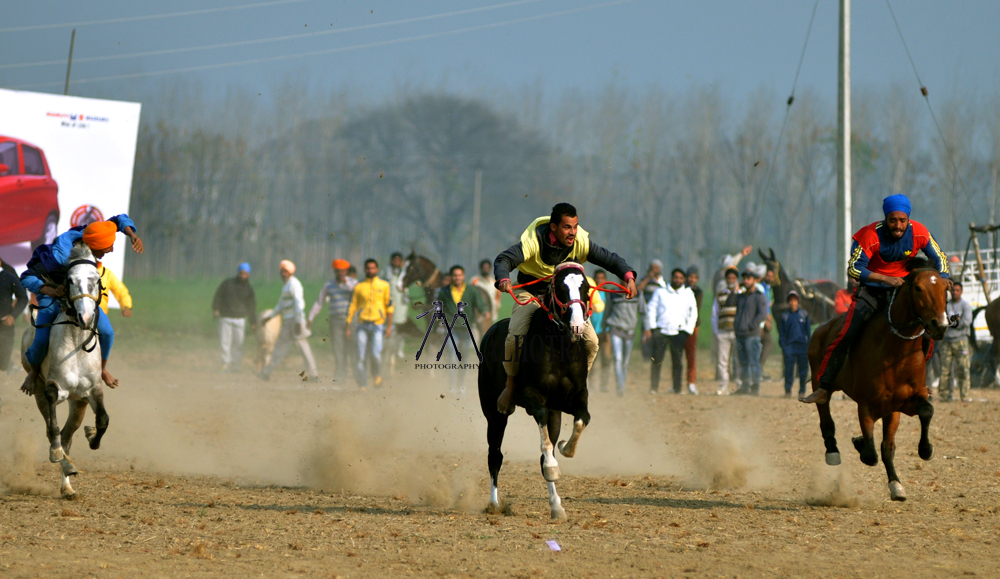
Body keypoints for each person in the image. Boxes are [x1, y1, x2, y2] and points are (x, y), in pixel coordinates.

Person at [802, 193, 949, 404]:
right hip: (871, 292)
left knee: (926, 335)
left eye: (902, 220)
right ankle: (825, 387)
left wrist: (943, 278)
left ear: (908, 219)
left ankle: (918, 383)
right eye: (893, 220)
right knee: (847, 333)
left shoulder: (920, 232)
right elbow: (854, 268)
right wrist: (885, 279)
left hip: (902, 293)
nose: (898, 226)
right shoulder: (870, 235)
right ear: (886, 219)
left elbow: (939, 258)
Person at [493, 202, 637, 414]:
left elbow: (610, 259)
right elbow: (504, 259)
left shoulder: (580, 242)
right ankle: (511, 385)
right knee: (516, 334)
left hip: (564, 297)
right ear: (553, 228)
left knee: (592, 342)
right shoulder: (533, 241)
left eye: (575, 226)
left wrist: (628, 276)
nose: (572, 232)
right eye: (567, 227)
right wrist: (503, 277)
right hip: (533, 294)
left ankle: (578, 388)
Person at [20, 215, 142, 394]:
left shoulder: (93, 234)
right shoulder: (58, 259)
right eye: (108, 247)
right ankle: (34, 372)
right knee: (42, 337)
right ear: (94, 246)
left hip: (79, 294)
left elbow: (119, 220)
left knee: (107, 332)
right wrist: (50, 290)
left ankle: (101, 369)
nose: (111, 249)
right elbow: (26, 277)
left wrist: (132, 235)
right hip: (53, 289)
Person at [436, 264, 490, 395]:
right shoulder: (444, 291)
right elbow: (439, 306)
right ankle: (452, 386)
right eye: (454, 275)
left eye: (459, 275)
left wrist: (485, 311)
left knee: (464, 358)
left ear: (463, 276)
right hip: (450, 329)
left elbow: (480, 304)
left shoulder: (471, 291)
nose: (457, 278)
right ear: (451, 277)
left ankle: (461, 384)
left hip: (466, 330)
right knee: (452, 357)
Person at [260, 260, 318, 381]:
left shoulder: (294, 284)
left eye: (285, 271)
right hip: (288, 321)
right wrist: (268, 317)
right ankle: (266, 372)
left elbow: (298, 302)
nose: (283, 273)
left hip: (295, 320)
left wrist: (297, 321)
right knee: (281, 348)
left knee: (303, 348)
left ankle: (313, 375)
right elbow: (280, 305)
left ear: (291, 272)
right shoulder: (286, 286)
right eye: (282, 271)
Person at [643, 268, 698, 394]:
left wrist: (687, 330)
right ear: (672, 278)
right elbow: (651, 309)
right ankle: (654, 387)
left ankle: (677, 388)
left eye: (680, 278)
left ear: (683, 280)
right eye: (676, 277)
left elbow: (693, 313)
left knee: (677, 362)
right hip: (661, 331)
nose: (678, 280)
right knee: (657, 360)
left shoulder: (688, 294)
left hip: (679, 333)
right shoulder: (661, 292)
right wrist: (653, 327)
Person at [346, 258, 393, 389]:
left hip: (378, 324)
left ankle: (376, 375)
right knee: (360, 356)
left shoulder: (384, 286)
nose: (370, 270)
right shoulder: (359, 287)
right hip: (362, 325)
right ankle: (362, 384)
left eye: (373, 268)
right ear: (365, 269)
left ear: (377, 269)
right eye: (368, 268)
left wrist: (388, 326)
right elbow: (352, 306)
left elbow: (390, 307)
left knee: (375, 354)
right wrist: (348, 326)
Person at [307, 259, 357, 382]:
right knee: (338, 349)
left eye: (343, 271)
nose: (340, 273)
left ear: (346, 271)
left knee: (353, 348)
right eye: (338, 271)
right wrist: (311, 317)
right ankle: (341, 375)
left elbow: (358, 297)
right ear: (334, 271)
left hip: (351, 322)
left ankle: (357, 375)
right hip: (335, 322)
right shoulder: (329, 285)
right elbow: (319, 302)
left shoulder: (354, 284)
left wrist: (346, 283)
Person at [602, 278, 647, 396]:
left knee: (625, 362)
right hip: (615, 328)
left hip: (630, 331)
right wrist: (603, 327)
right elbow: (608, 311)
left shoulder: (638, 294)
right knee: (618, 358)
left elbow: (643, 312)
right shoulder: (613, 294)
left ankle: (622, 383)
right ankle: (620, 387)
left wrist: (646, 328)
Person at [212, 263, 257, 372]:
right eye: (241, 273)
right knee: (225, 342)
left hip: (240, 319)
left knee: (238, 343)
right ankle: (225, 364)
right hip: (226, 318)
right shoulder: (227, 284)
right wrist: (216, 309)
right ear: (238, 272)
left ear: (248, 275)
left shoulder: (249, 289)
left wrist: (253, 322)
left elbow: (251, 306)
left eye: (245, 274)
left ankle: (236, 365)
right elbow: (218, 296)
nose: (243, 275)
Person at [733, 267, 769, 395]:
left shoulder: (760, 297)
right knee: (743, 362)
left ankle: (755, 387)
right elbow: (727, 303)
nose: (746, 281)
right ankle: (745, 386)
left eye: (749, 279)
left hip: (751, 335)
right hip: (740, 334)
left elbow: (762, 315)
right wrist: (736, 289)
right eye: (745, 279)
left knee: (753, 361)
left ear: (754, 280)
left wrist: (751, 325)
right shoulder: (741, 297)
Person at [937, 281, 972, 402]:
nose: (955, 292)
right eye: (953, 290)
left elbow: (966, 322)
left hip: (961, 341)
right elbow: (942, 320)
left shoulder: (966, 306)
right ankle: (945, 395)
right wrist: (954, 321)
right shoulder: (946, 305)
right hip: (946, 341)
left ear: (961, 292)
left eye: (957, 290)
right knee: (945, 370)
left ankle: (965, 396)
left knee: (963, 368)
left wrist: (954, 322)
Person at [712, 267, 740, 395]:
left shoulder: (741, 294)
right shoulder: (720, 295)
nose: (731, 280)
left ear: (736, 280)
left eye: (733, 278)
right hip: (723, 332)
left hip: (737, 332)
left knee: (739, 360)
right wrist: (716, 331)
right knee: (722, 361)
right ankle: (723, 385)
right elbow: (715, 314)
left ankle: (740, 384)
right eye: (729, 278)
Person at [778, 290, 811, 398]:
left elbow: (808, 331)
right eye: (791, 300)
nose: (793, 303)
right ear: (788, 302)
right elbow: (781, 333)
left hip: (802, 346)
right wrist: (784, 346)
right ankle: (788, 391)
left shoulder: (804, 314)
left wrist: (808, 345)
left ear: (798, 301)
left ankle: (802, 391)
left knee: (803, 371)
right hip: (790, 347)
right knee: (788, 370)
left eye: (795, 300)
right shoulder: (784, 316)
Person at [0, 256, 27, 374]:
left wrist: (13, 316)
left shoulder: (9, 277)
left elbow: (23, 297)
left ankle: (9, 366)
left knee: (4, 362)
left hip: (5, 325)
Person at [384, 252, 410, 370]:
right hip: (389, 304)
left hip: (402, 304)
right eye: (394, 260)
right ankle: (388, 350)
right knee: (390, 328)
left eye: (399, 260)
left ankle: (399, 350)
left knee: (401, 329)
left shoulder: (404, 273)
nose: (396, 262)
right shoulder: (386, 272)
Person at [590, 270, 612, 392]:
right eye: (597, 278)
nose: (599, 280)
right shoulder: (589, 294)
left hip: (605, 331)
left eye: (602, 278)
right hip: (591, 331)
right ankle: (591, 384)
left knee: (606, 359)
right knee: (591, 359)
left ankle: (604, 384)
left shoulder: (608, 295)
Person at [684, 265, 703, 394]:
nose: (692, 279)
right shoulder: (681, 289)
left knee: (691, 355)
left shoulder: (698, 292)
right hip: (678, 325)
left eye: (694, 277)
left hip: (692, 326)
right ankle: (677, 383)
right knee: (677, 355)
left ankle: (691, 382)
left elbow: (696, 309)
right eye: (690, 277)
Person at [471, 259, 501, 333]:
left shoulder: (494, 282)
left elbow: (498, 297)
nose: (486, 270)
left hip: (491, 312)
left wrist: (496, 308)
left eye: (488, 268)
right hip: (478, 313)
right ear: (481, 268)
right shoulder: (475, 281)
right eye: (484, 268)